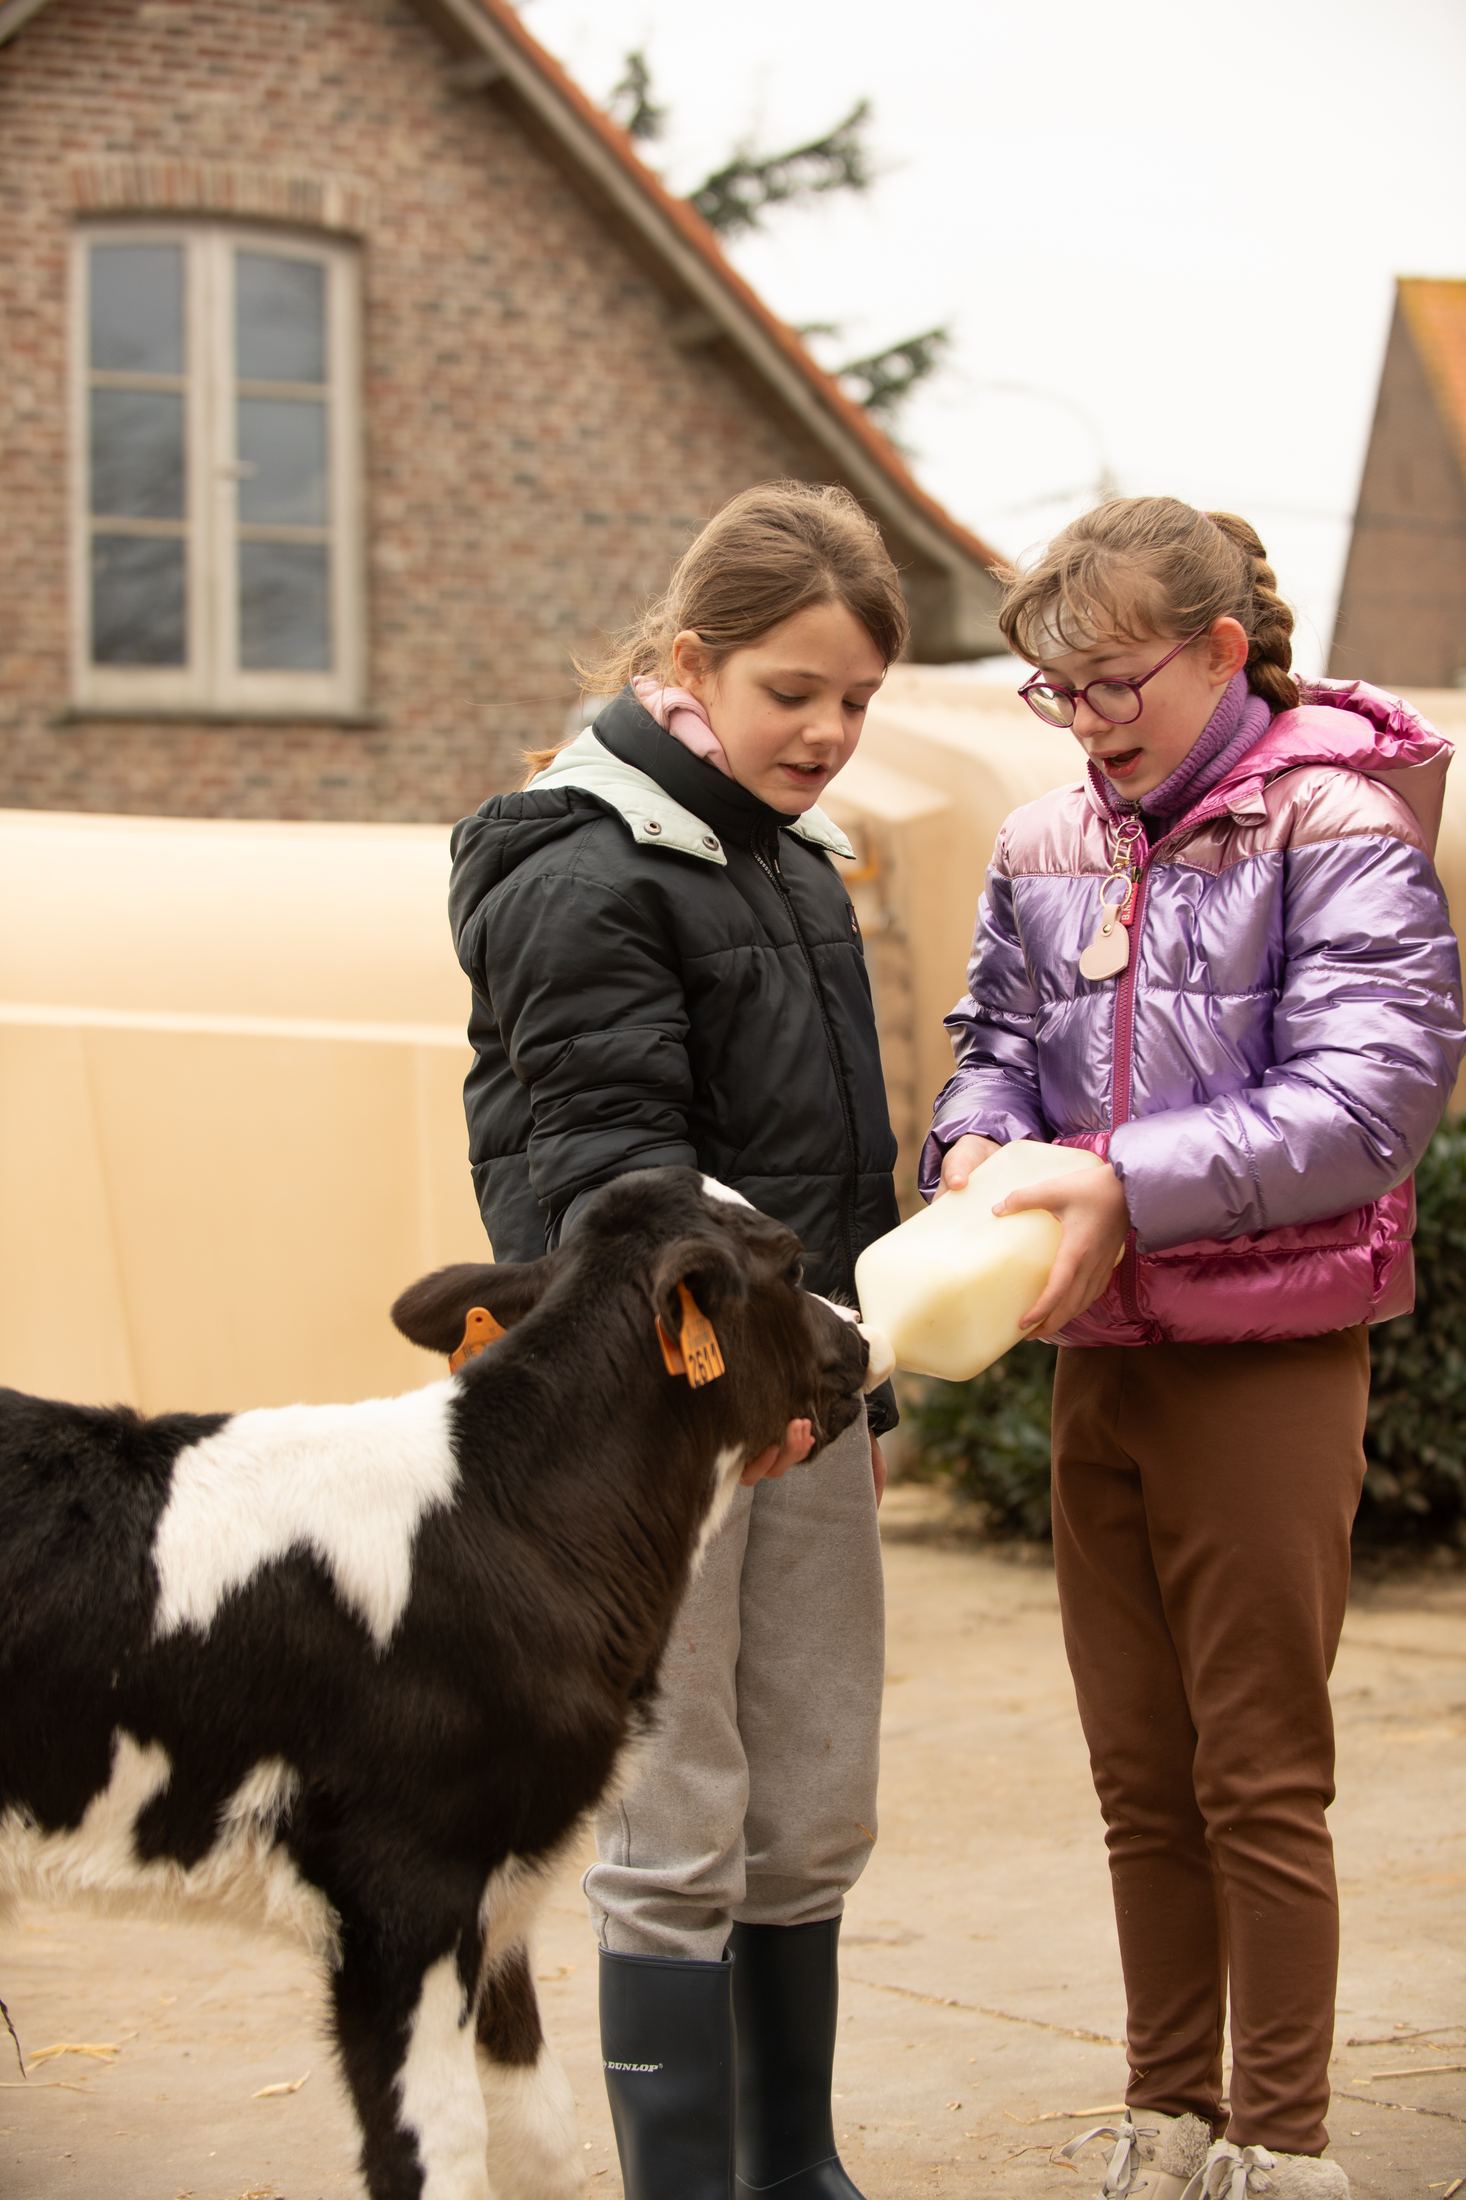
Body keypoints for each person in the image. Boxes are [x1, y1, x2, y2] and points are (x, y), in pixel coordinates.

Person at [921, 496, 1464, 2200]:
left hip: (1265, 1355)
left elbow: (1370, 1101)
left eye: (1109, 683)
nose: (1081, 723)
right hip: (1101, 1346)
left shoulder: (1336, 826)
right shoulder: (1041, 844)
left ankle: (1284, 2142)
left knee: (1256, 1772)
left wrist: (1107, 1181)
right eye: (1051, 693)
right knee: (1136, 1770)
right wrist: (969, 1150)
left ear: (1222, 653)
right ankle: (1166, 2117)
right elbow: (992, 1042)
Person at [449, 480, 905, 2200]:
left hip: (797, 1397)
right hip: (652, 1416)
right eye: (794, 690)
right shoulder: (573, 869)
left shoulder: (784, 862)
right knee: (679, 1805)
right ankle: (691, 2182)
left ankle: (794, 2165)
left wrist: (844, 1365)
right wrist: (741, 1373)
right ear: (686, 663)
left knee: (809, 1791)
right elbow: (602, 1174)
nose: (828, 732)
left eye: (856, 699)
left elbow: (809, 1167)